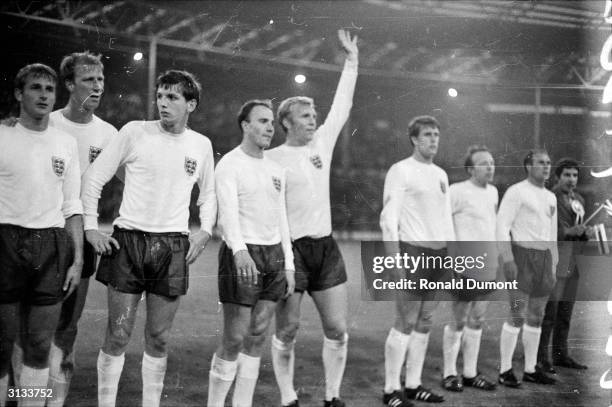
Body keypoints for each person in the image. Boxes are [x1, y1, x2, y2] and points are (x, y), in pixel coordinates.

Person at [81, 70, 216, 407]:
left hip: (171, 247)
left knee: (158, 337)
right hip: (128, 242)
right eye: (160, 96)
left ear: (191, 104)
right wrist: (89, 227)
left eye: (172, 97)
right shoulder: (134, 132)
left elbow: (209, 195)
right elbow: (95, 178)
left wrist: (206, 230)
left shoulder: (200, 145)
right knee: (118, 333)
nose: (163, 103)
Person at [266, 29, 358, 407]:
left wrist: (351, 61)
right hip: (291, 253)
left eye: (313, 114)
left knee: (337, 328)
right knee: (287, 329)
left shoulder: (322, 143)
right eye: (305, 115)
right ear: (286, 122)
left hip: (325, 247)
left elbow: (342, 105)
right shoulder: (271, 160)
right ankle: (288, 396)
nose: (313, 119)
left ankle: (332, 395)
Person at [0, 63, 83, 407]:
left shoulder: (65, 142)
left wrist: (77, 259)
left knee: (38, 344)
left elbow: (72, 205)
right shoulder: (2, 135)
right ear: (19, 94)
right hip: (5, 241)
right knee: (1, 343)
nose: (44, 95)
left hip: (50, 246)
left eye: (49, 90)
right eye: (36, 88)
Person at [207, 99, 295, 407]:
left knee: (258, 333)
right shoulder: (230, 164)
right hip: (242, 254)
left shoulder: (276, 169)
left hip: (274, 256)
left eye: (271, 122)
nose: (270, 127)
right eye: (262, 121)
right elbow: (227, 215)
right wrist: (240, 251)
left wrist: (290, 263)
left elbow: (282, 216)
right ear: (245, 125)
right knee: (234, 338)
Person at [379, 115, 454, 406]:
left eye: (436, 134)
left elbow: (446, 220)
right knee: (405, 321)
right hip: (413, 253)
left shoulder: (441, 174)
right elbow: (389, 219)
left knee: (425, 321)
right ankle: (390, 390)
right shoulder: (401, 171)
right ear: (414, 139)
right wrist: (394, 262)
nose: (433, 139)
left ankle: (413, 385)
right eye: (427, 134)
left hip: (438, 255)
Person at [496, 149, 558, 387]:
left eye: (548, 163)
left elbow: (552, 236)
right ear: (528, 166)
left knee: (537, 315)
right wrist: (507, 257)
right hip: (521, 256)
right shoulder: (516, 191)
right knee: (517, 314)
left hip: (543, 259)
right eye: (541, 163)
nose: (546, 166)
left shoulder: (550, 197)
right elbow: (501, 226)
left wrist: (553, 263)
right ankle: (505, 370)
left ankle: (531, 369)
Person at [441, 146, 498, 393]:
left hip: (488, 265)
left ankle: (470, 373)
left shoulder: (494, 192)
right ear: (470, 169)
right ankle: (449, 373)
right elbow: (445, 226)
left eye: (492, 162)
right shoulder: (457, 191)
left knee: (478, 318)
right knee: (459, 319)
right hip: (464, 264)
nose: (489, 167)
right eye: (483, 163)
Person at [537, 158, 590, 372]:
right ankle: (541, 358)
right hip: (554, 260)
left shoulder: (579, 199)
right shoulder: (550, 198)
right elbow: (549, 231)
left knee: (565, 313)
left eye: (575, 175)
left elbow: (576, 233)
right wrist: (570, 232)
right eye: (567, 175)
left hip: (571, 261)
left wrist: (585, 233)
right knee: (550, 313)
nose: (571, 179)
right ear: (557, 177)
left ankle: (560, 355)